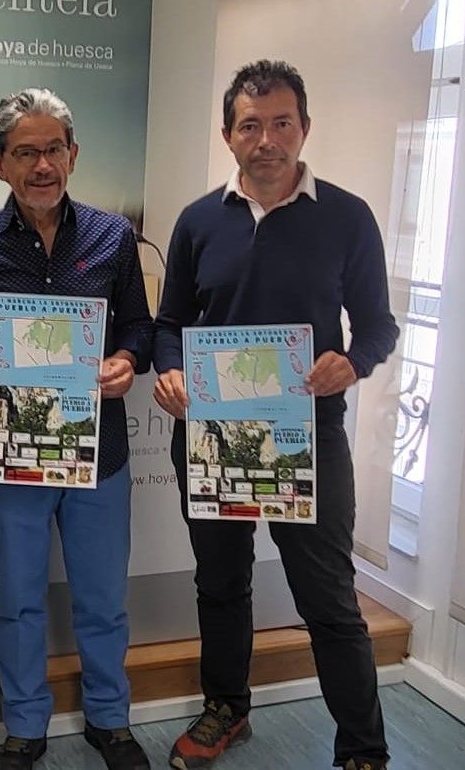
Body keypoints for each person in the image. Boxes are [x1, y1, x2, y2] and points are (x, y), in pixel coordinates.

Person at [152, 59, 398, 770]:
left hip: (307, 437)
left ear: (304, 129)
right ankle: (226, 709)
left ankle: (364, 748)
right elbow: (172, 322)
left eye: (281, 123)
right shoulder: (199, 221)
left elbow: (378, 325)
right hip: (212, 437)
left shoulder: (348, 218)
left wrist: (352, 362)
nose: (267, 139)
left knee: (327, 598)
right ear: (228, 136)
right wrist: (169, 367)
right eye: (250, 125)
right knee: (222, 584)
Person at [0, 88, 154, 770]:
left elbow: (141, 326)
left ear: (73, 154)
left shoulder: (114, 238)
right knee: (19, 599)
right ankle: (24, 726)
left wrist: (127, 359)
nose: (42, 165)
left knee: (102, 598)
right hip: (13, 456)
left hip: (99, 455)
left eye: (53, 149)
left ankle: (110, 720)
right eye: (24, 152)